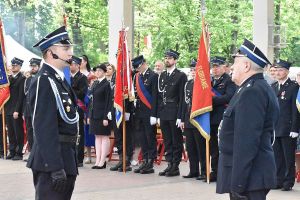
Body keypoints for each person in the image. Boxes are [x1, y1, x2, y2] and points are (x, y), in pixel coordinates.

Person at [216, 39, 279, 200]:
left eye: (235, 63)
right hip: (249, 176)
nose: (231, 67)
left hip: (250, 178)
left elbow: (246, 142)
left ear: (246, 66)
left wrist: (238, 184)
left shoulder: (252, 91)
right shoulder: (250, 88)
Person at [27, 26, 79, 199]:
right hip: (51, 162)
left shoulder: (59, 80)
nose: (71, 52)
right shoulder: (44, 81)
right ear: (51, 52)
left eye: (70, 48)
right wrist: (55, 166)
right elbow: (43, 128)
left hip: (65, 157)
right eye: (65, 48)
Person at [157, 49, 187, 177]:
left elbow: (182, 97)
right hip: (164, 111)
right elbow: (159, 96)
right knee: (167, 140)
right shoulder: (162, 75)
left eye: (170, 58)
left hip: (174, 111)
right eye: (166, 58)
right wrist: (158, 114)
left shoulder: (181, 75)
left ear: (175, 60)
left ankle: (175, 166)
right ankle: (169, 164)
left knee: (176, 140)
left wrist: (180, 116)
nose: (167, 60)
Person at [271, 59, 299, 191]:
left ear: (287, 72)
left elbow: (295, 109)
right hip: (275, 128)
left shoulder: (293, 87)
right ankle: (278, 180)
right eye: (276, 70)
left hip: (288, 128)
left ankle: (288, 182)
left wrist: (295, 128)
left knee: (288, 157)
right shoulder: (273, 86)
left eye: (280, 70)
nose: (277, 72)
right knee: (277, 156)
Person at [209, 56, 236, 182]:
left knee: (222, 147)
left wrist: (211, 100)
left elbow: (229, 97)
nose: (215, 69)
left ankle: (223, 172)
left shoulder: (229, 81)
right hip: (210, 118)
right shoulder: (209, 81)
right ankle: (214, 171)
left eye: (217, 67)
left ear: (224, 67)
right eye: (213, 67)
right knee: (213, 147)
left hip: (221, 118)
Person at [131, 55, 158, 174]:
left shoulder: (153, 76)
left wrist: (154, 114)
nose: (137, 70)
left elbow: (155, 97)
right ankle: (145, 160)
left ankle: (150, 162)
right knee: (142, 138)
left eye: (138, 67)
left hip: (149, 111)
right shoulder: (137, 76)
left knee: (149, 137)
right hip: (139, 112)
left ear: (143, 64)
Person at [180, 60, 206, 180]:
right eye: (191, 70)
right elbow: (185, 103)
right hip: (189, 118)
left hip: (199, 119)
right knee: (190, 147)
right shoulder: (188, 84)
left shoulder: (204, 84)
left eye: (195, 70)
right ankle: (193, 170)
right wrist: (183, 119)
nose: (193, 72)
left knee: (201, 147)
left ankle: (204, 171)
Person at [89, 64, 111, 169]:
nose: (97, 72)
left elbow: (108, 102)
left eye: (99, 70)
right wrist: (89, 115)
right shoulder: (95, 83)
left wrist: (106, 117)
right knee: (97, 136)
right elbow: (91, 100)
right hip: (94, 114)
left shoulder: (107, 84)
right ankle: (97, 160)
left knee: (104, 136)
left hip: (103, 114)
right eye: (96, 70)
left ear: (104, 72)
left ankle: (103, 160)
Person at [5, 57, 25, 160]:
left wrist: (17, 110)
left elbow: (21, 96)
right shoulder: (9, 78)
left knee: (18, 132)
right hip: (8, 108)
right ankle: (12, 151)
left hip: (16, 109)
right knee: (11, 132)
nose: (13, 67)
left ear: (20, 66)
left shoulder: (22, 78)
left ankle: (18, 152)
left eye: (15, 65)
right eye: (12, 65)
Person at [70, 56, 88, 167]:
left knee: (79, 134)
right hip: (68, 109)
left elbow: (82, 93)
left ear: (77, 65)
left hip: (78, 109)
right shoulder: (66, 77)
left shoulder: (82, 78)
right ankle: (71, 157)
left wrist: (71, 90)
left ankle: (79, 158)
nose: (70, 66)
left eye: (72, 64)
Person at [23, 58, 41, 160]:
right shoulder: (28, 79)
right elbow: (26, 92)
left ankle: (38, 153)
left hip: (38, 109)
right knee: (30, 131)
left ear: (39, 66)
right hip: (29, 109)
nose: (33, 68)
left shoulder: (41, 77)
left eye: (34, 66)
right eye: (32, 66)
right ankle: (31, 152)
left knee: (38, 131)